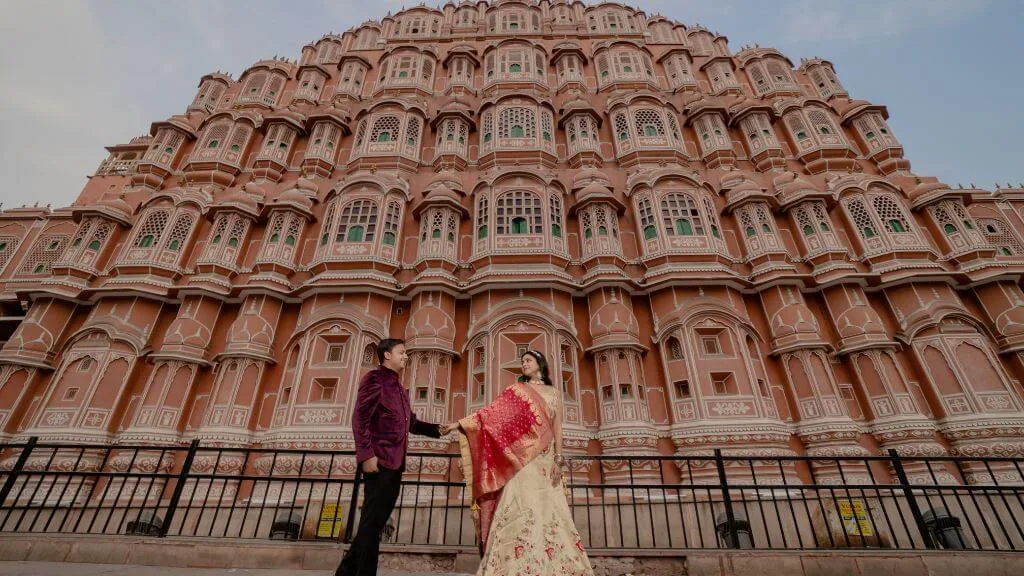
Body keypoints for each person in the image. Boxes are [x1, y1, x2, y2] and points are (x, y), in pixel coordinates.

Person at [446, 350, 594, 576]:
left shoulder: (554, 393)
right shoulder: (516, 391)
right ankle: (512, 566)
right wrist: (461, 424)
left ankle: (558, 567)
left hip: (545, 460)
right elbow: (492, 415)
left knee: (551, 509)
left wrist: (559, 458)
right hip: (522, 461)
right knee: (518, 506)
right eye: (522, 361)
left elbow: (557, 427)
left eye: (528, 360)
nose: (523, 364)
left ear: (539, 364)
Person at [335, 338, 444, 576]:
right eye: (402, 352)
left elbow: (411, 422)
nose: (405, 356)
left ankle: (344, 572)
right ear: (386, 355)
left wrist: (439, 430)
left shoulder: (398, 388)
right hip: (379, 461)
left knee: (373, 524)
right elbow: (360, 419)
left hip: (394, 463)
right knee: (372, 523)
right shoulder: (374, 380)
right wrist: (366, 455)